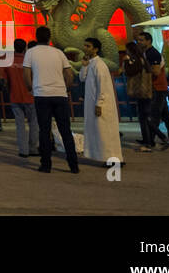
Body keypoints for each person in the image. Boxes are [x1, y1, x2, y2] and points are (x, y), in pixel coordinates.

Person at [23, 26, 78, 174]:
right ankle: (73, 165)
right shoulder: (58, 53)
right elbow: (69, 74)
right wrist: (65, 88)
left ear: (36, 37)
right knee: (65, 130)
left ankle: (46, 164)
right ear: (49, 38)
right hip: (60, 94)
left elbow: (26, 74)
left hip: (41, 95)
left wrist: (31, 88)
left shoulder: (31, 53)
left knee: (44, 130)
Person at [80, 37, 122, 165]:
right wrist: (84, 66)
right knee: (98, 132)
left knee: (105, 132)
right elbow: (82, 78)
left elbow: (102, 86)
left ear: (96, 49)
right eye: (85, 45)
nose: (85, 48)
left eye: (88, 46)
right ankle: (103, 157)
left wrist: (99, 103)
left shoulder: (100, 65)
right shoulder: (90, 63)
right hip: (92, 102)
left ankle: (113, 158)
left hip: (101, 104)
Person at [136, 30, 169, 150]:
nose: (139, 42)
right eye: (138, 40)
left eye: (141, 40)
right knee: (165, 115)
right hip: (158, 88)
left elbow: (155, 71)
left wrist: (141, 67)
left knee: (153, 116)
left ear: (148, 41)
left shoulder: (153, 54)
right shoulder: (146, 53)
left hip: (157, 88)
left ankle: (150, 142)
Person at [0, 38, 38, 157]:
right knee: (34, 124)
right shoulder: (30, 60)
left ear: (13, 47)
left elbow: (1, 78)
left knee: (20, 124)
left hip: (15, 97)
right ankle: (33, 148)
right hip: (31, 97)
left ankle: (23, 150)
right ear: (25, 47)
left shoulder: (7, 59)